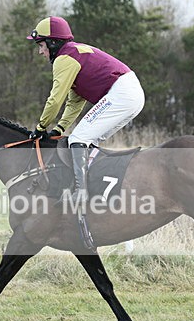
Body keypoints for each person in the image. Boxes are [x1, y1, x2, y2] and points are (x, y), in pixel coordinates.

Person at [27, 16, 145, 206]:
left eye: (41, 45)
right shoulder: (73, 53)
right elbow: (75, 102)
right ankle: (96, 186)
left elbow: (55, 100)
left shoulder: (64, 59)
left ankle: (80, 193)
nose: (40, 51)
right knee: (88, 142)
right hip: (130, 92)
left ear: (53, 43)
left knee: (78, 139)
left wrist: (41, 127)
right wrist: (59, 128)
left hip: (122, 93)